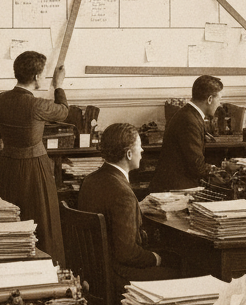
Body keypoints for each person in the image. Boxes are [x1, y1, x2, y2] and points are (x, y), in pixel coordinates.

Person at [77, 122, 180, 292]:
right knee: (181, 271)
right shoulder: (123, 194)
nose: (142, 151)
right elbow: (127, 254)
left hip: (95, 273)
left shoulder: (90, 180)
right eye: (139, 146)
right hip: (118, 275)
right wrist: (157, 258)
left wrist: (136, 209)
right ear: (129, 154)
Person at [0, 50, 69, 264]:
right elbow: (64, 111)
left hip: (6, 169)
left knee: (8, 224)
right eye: (43, 74)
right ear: (36, 76)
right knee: (42, 222)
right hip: (34, 170)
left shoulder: (1, 99)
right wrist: (58, 85)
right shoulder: (37, 104)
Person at [147, 75, 223, 193]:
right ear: (209, 99)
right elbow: (197, 167)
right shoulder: (189, 120)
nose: (220, 104)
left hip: (177, 185)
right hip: (174, 190)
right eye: (219, 100)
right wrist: (221, 169)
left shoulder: (189, 114)